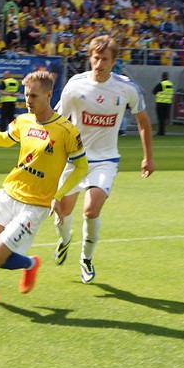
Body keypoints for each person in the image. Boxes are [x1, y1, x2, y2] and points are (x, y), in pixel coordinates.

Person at [0, 70, 88, 305]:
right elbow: (3, 139)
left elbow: (82, 168)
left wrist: (58, 196)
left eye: (33, 96)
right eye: (26, 95)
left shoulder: (67, 131)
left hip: (35, 205)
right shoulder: (23, 120)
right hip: (10, 192)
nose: (28, 101)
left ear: (49, 95)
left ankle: (31, 263)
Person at [52, 35, 155, 283]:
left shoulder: (126, 88)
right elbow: (58, 121)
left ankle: (86, 259)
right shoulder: (75, 85)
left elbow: (143, 123)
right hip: (74, 160)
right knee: (61, 213)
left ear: (114, 61)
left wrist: (148, 158)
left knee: (91, 209)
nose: (99, 64)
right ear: (90, 57)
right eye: (96, 58)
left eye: (105, 59)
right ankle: (65, 239)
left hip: (105, 160)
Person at [152, 71, 174, 136]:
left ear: (162, 77)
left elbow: (154, 91)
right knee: (164, 118)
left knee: (160, 118)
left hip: (160, 103)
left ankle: (161, 132)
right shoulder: (171, 84)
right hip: (168, 103)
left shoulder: (161, 84)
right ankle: (162, 131)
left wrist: (159, 94)